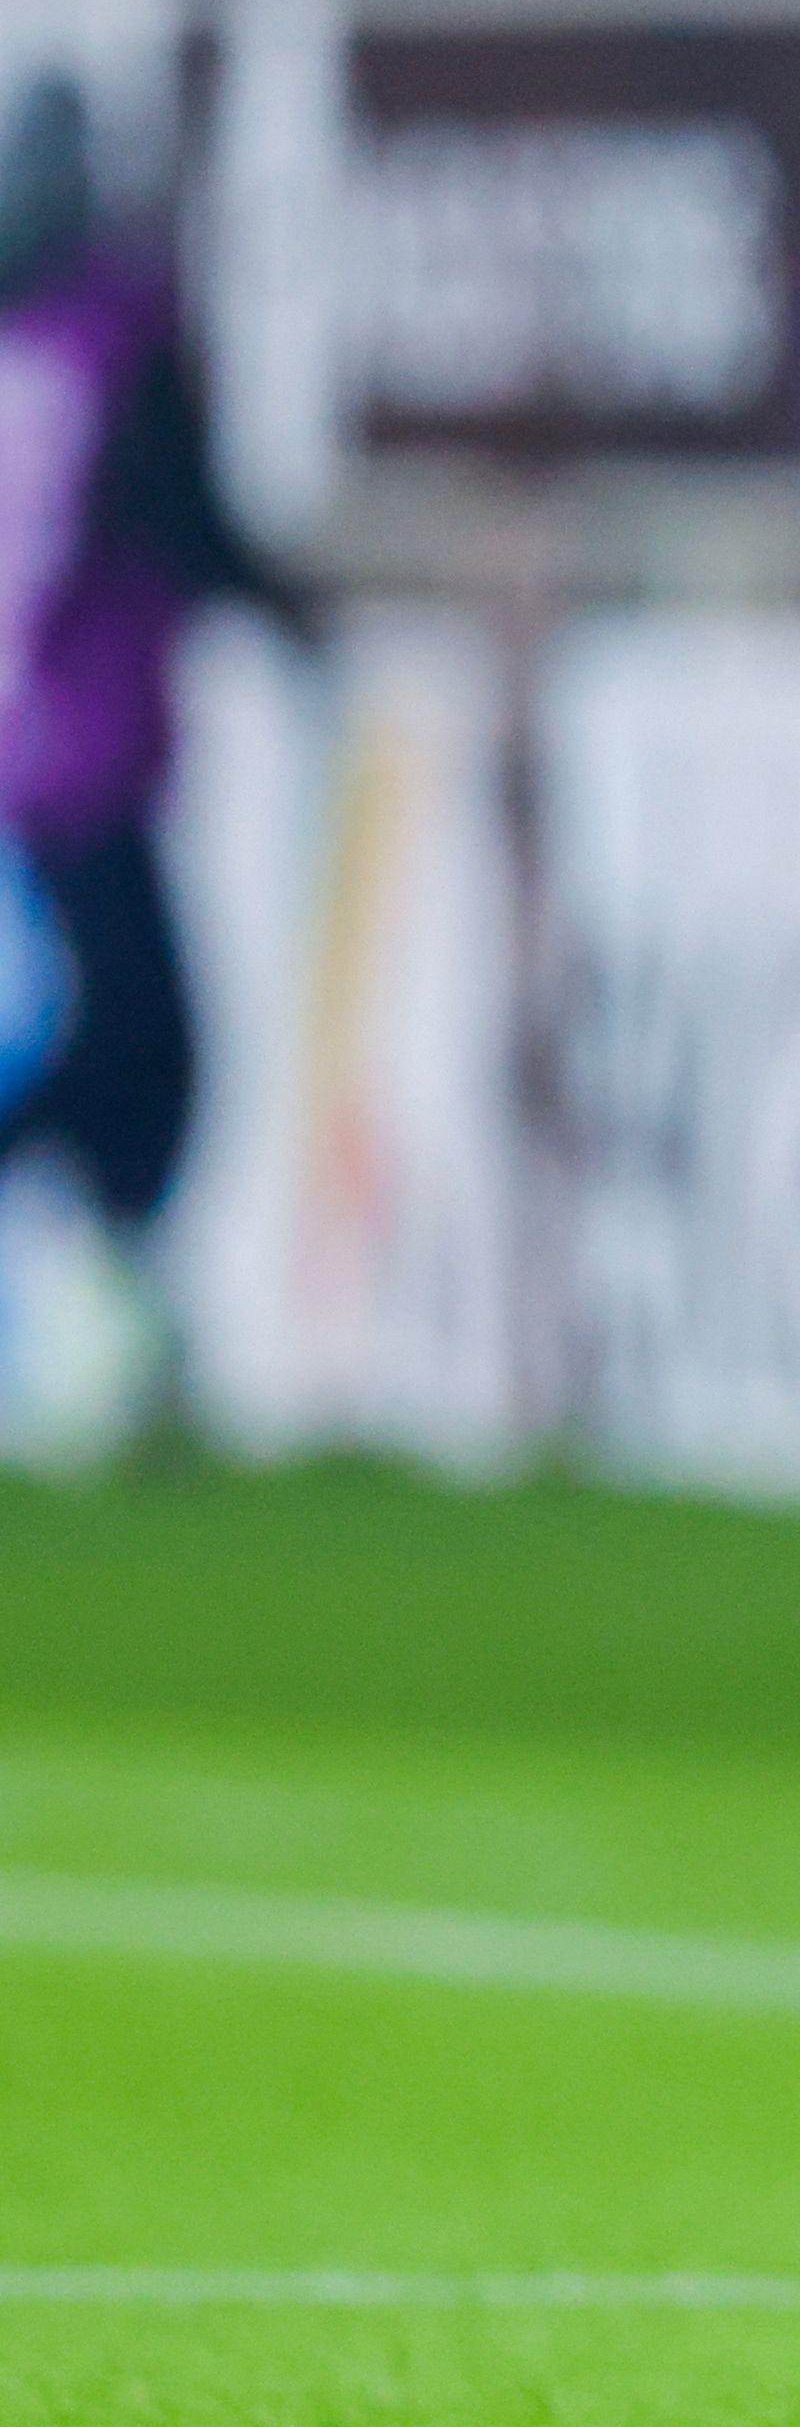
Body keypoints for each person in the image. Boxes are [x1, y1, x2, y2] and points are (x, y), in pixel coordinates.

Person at [0, 71, 311, 1429]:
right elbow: (182, 511)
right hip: (85, 737)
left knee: (133, 1036)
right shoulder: (115, 331)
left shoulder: (27, 334)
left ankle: (119, 1295)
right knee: (146, 1038)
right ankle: (117, 1298)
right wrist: (297, 619)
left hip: (35, 736)